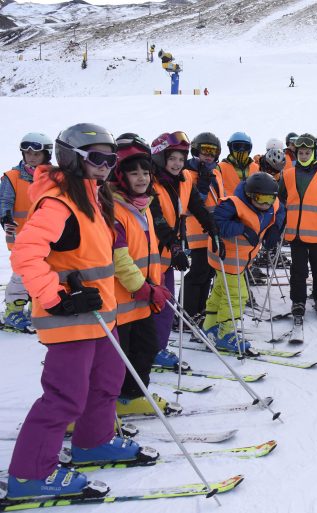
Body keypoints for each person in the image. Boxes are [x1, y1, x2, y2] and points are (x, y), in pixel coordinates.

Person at [5, 123, 157, 501]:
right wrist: (57, 297)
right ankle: (30, 476)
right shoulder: (58, 201)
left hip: (100, 314)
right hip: (70, 315)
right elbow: (26, 253)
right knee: (65, 396)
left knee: (106, 381)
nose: (106, 165)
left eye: (110, 158)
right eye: (97, 158)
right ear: (73, 158)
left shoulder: (94, 197)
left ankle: (93, 441)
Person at [109, 133, 175, 416]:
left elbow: (148, 252)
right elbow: (119, 258)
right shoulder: (113, 208)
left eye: (145, 172)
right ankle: (108, 402)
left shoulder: (144, 206)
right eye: (133, 173)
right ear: (121, 176)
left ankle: (133, 395)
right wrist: (145, 287)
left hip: (143, 299)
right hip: (121, 301)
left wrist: (155, 285)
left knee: (145, 349)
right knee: (117, 358)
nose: (141, 178)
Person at [149, 131, 218, 370]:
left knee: (165, 305)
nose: (178, 164)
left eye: (181, 158)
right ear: (160, 159)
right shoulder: (150, 183)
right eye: (172, 159)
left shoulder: (185, 179)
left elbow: (197, 207)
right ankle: (147, 349)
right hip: (150, 255)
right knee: (152, 306)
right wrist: (175, 246)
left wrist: (213, 228)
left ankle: (158, 347)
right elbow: (157, 219)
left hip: (167, 255)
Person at [204, 173, 284, 352]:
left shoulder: (273, 204)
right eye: (260, 198)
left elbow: (280, 210)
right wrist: (242, 229)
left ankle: (210, 326)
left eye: (269, 198)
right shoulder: (232, 204)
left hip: (242, 259)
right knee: (237, 296)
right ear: (250, 195)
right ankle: (226, 333)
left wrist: (275, 229)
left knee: (220, 291)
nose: (265, 204)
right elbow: (216, 223)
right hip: (227, 258)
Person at [278, 133, 317, 320]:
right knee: (298, 270)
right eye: (300, 153)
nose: (303, 156)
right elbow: (280, 200)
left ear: (314, 153)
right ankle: (298, 300)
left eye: (307, 153)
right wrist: (278, 219)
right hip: (295, 233)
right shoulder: (288, 175)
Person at [1, 132, 54, 333]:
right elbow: (5, 201)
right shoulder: (13, 177)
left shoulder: (53, 176)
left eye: (36, 153)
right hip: (21, 236)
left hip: (47, 237)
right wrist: (6, 218)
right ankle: (13, 310)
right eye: (27, 153)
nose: (31, 157)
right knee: (22, 274)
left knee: (44, 273)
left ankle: (37, 307)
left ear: (46, 155)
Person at [181, 132, 222, 322]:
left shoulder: (215, 172)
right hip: (197, 232)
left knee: (208, 273)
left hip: (213, 231)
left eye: (212, 152)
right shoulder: (188, 173)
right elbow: (187, 206)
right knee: (197, 273)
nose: (208, 155)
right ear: (196, 150)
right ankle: (186, 313)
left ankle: (200, 309)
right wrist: (202, 187)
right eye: (204, 151)